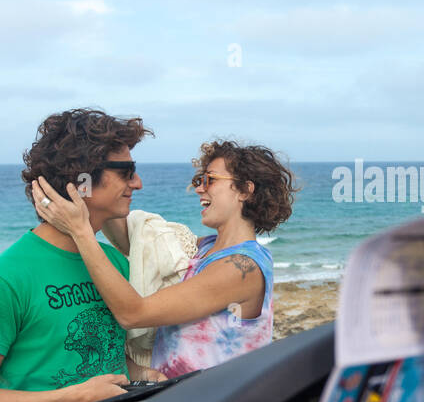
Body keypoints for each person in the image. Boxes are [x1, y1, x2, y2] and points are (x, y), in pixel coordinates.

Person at [0, 109, 151, 402]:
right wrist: (75, 398)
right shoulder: (3, 279)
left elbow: (110, 355)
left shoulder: (115, 263)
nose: (137, 182)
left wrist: (141, 374)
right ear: (82, 181)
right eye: (126, 171)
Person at [32, 139, 296, 378]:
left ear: (245, 190)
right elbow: (132, 238)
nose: (199, 189)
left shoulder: (242, 268)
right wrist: (97, 185)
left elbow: (133, 314)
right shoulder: (202, 249)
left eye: (210, 180)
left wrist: (80, 231)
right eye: (198, 181)